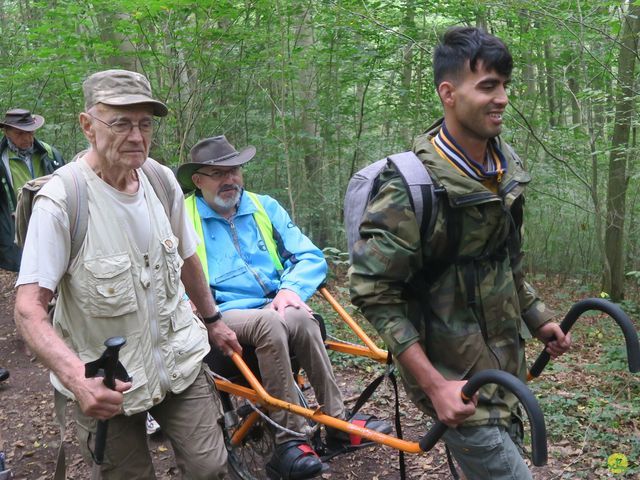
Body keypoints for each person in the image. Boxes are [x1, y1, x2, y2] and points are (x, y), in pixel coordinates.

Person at [349, 27, 572, 479]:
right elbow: (374, 293)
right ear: (448, 93)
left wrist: (538, 317)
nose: (503, 98)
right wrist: (435, 386)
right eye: (488, 85)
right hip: (454, 378)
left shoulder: (504, 169)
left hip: (506, 367)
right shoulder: (409, 189)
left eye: (505, 85)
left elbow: (504, 261)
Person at [14, 69, 241, 479]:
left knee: (211, 468)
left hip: (179, 360)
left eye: (145, 123)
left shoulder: (161, 180)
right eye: (120, 122)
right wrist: (76, 380)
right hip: (105, 380)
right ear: (88, 126)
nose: (136, 136)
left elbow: (188, 258)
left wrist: (213, 320)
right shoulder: (64, 201)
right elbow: (28, 308)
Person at [177, 135, 392, 480]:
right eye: (218, 173)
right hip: (220, 311)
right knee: (269, 324)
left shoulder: (263, 207)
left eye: (234, 170)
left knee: (301, 318)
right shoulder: (183, 217)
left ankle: (338, 422)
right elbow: (164, 270)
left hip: (272, 301)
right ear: (198, 181)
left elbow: (309, 255)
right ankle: (289, 441)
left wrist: (291, 288)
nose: (229, 179)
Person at [0, 108, 64, 272]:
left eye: (30, 132)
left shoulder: (49, 154)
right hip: (16, 224)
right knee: (25, 266)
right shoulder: (2, 159)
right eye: (19, 133)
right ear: (7, 132)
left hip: (48, 217)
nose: (27, 138)